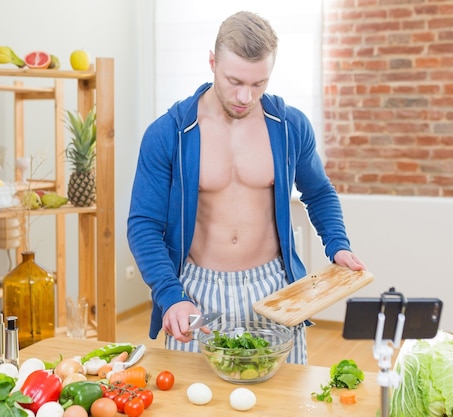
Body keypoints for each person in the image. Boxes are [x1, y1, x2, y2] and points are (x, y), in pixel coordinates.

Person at [127, 10, 365, 364]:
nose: (245, 96)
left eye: (259, 84)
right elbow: (143, 224)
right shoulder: (169, 133)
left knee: (282, 403)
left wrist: (338, 244)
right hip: (196, 291)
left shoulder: (290, 126)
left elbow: (318, 192)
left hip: (275, 289)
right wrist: (170, 295)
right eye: (234, 80)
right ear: (211, 62)